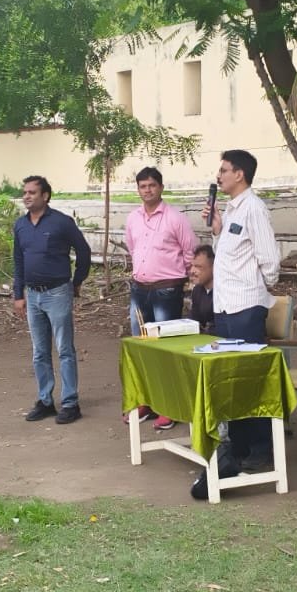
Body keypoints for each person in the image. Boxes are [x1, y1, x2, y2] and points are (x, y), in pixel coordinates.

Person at [194, 148, 281, 499]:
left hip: (246, 308)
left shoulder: (254, 208)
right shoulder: (231, 209)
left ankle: (261, 449)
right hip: (226, 308)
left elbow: (268, 259)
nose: (219, 176)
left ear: (240, 175)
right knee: (232, 382)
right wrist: (216, 230)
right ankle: (241, 448)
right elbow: (231, 254)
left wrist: (257, 289)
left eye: (224, 170)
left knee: (249, 383)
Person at [12, 175, 92, 425]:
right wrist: (18, 294)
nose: (26, 196)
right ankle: (45, 400)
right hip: (33, 295)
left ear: (45, 196)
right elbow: (18, 260)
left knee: (64, 349)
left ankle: (70, 402)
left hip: (58, 292)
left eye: (32, 192)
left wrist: (76, 281)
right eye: (24, 192)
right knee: (39, 352)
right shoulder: (21, 225)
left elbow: (84, 251)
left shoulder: (61, 223)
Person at [123, 166, 198, 431]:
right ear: (138, 190)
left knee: (166, 349)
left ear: (161, 187)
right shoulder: (133, 218)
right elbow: (133, 248)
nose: (147, 190)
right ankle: (146, 402)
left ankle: (169, 406)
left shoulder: (176, 218)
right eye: (143, 186)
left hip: (167, 290)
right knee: (143, 348)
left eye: (152, 185)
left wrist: (189, 282)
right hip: (139, 290)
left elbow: (190, 251)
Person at [187, 244, 215, 334]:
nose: (192, 271)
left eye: (198, 267)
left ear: (214, 268)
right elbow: (193, 321)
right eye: (192, 266)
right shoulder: (197, 290)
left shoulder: (224, 293)